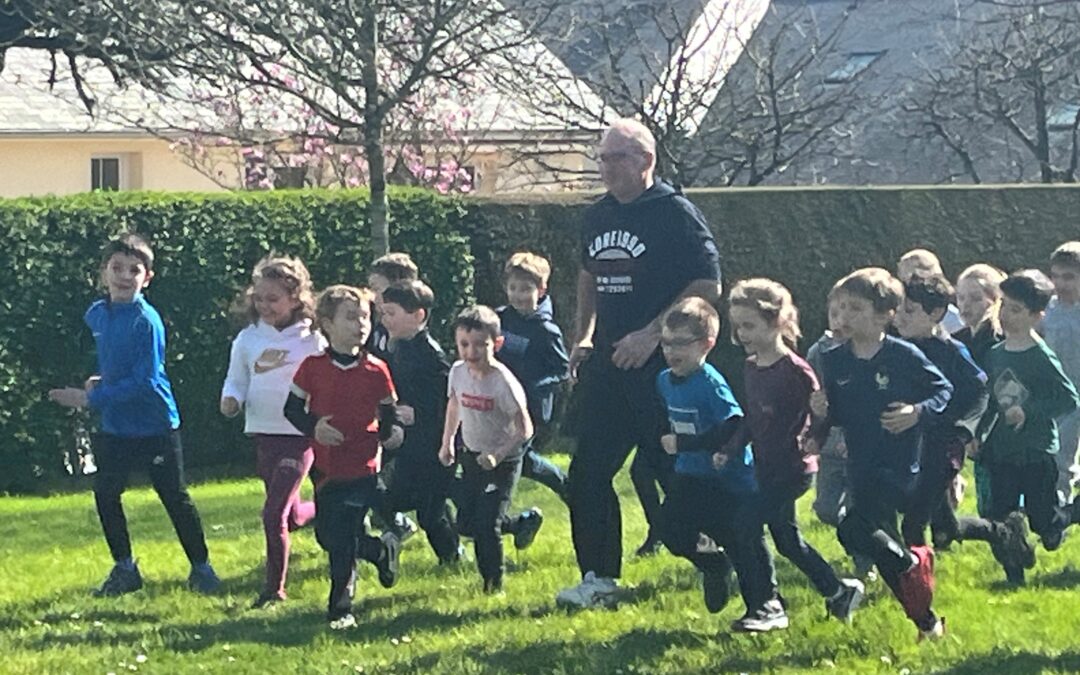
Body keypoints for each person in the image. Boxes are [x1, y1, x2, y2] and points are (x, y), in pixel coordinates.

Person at [557, 118, 723, 609]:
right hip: (609, 368)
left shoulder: (674, 214)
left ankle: (728, 556)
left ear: (646, 161)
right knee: (586, 473)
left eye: (617, 158)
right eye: (602, 158)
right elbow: (588, 276)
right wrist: (582, 334)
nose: (606, 168)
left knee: (676, 473)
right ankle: (599, 578)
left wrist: (652, 333)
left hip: (661, 369)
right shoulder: (597, 216)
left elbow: (707, 283)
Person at [48, 233, 221, 597]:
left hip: (155, 422)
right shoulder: (96, 314)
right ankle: (125, 568)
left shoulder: (147, 321)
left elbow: (145, 380)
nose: (124, 276)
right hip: (116, 426)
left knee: (173, 495)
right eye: (117, 268)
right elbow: (117, 363)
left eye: (134, 270)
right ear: (103, 273)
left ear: (148, 277)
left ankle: (202, 568)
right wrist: (101, 380)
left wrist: (89, 398)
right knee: (106, 493)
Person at [810, 267, 952, 642]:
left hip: (898, 466)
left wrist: (916, 413)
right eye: (840, 308)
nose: (844, 317)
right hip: (859, 464)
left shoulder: (903, 355)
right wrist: (821, 418)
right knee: (881, 547)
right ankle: (928, 622)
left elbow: (943, 390)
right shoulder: (834, 359)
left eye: (855, 308)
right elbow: (840, 413)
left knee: (853, 528)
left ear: (884, 314)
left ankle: (913, 563)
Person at [727, 280, 864, 625]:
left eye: (749, 325)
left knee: (744, 524)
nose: (741, 333)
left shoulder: (796, 370)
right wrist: (731, 448)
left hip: (794, 468)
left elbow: (824, 410)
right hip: (766, 467)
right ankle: (838, 591)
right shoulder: (751, 366)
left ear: (775, 322)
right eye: (737, 325)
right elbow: (753, 418)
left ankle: (766, 605)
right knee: (787, 540)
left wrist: (817, 435)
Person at [283, 285, 403, 629]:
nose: (361, 324)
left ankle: (341, 608)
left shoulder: (377, 369)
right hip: (325, 468)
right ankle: (381, 552)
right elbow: (291, 409)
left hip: (364, 466)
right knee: (327, 537)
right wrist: (314, 427)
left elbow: (388, 412)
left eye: (366, 317)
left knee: (344, 542)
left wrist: (390, 434)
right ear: (327, 324)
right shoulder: (312, 367)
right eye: (351, 317)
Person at [651, 298, 772, 628]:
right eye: (666, 342)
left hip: (728, 477)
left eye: (681, 344)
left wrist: (687, 443)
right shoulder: (664, 380)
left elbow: (733, 425)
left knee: (740, 538)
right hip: (690, 473)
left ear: (706, 345)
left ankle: (765, 602)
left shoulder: (710, 383)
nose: (672, 351)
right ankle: (713, 565)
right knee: (670, 529)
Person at [955, 270, 1080, 585]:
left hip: (1036, 452)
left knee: (1044, 522)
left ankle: (1070, 513)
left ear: (1037, 316)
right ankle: (1014, 576)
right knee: (1002, 516)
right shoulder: (995, 355)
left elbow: (1068, 399)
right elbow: (990, 399)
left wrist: (1030, 412)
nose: (1006, 315)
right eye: (1003, 306)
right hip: (1002, 452)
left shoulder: (1041, 357)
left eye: (1015, 310)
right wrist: (976, 434)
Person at [220, 255, 323, 608]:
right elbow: (237, 379)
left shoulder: (312, 340)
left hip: (299, 437)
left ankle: (273, 590)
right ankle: (322, 508)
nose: (265, 305)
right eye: (259, 298)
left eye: (273, 299)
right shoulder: (247, 339)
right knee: (291, 517)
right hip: (263, 435)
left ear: (295, 298)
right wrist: (231, 399)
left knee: (272, 513)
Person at [439, 306, 534, 593]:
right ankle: (521, 523)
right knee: (466, 523)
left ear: (498, 343)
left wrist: (498, 455)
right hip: (472, 455)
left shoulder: (503, 383)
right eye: (464, 345)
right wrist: (447, 443)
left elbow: (525, 429)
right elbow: (454, 404)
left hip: (502, 462)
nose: (471, 352)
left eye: (481, 345)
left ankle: (493, 585)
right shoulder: (457, 372)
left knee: (487, 527)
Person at [891, 274, 989, 551]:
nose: (899, 318)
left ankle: (917, 583)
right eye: (897, 310)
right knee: (945, 527)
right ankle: (1002, 532)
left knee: (913, 521)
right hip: (909, 443)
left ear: (936, 313)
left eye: (909, 310)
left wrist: (964, 430)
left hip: (943, 446)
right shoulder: (894, 348)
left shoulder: (952, 351)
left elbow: (980, 391)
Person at [377, 280, 461, 564]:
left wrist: (421, 414)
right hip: (411, 444)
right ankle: (450, 547)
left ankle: (451, 555)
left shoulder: (430, 354)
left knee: (430, 510)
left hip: (436, 445)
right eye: (383, 313)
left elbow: (449, 399)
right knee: (388, 495)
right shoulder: (399, 346)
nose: (384, 319)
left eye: (391, 313)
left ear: (418, 316)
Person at [496, 251, 570, 509]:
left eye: (526, 289)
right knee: (522, 460)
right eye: (513, 288)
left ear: (541, 289)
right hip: (500, 401)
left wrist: (539, 387)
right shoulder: (500, 319)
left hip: (531, 406)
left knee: (511, 456)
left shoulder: (545, 330)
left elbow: (562, 368)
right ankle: (567, 486)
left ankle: (499, 511)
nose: (518, 295)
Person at [953, 263, 1007, 517]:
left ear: (994, 301)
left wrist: (979, 432)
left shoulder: (997, 342)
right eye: (961, 297)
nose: (965, 305)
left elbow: (995, 393)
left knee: (994, 501)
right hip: (970, 425)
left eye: (975, 299)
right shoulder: (958, 340)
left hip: (998, 426)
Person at [1041, 242, 1080, 505]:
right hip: (1062, 395)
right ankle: (1059, 507)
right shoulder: (1047, 311)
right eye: (1055, 276)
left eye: (1069, 277)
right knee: (1060, 454)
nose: (1060, 284)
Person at [897, 249, 964, 334]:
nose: (908, 284)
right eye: (902, 278)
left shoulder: (956, 322)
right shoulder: (892, 317)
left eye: (916, 278)